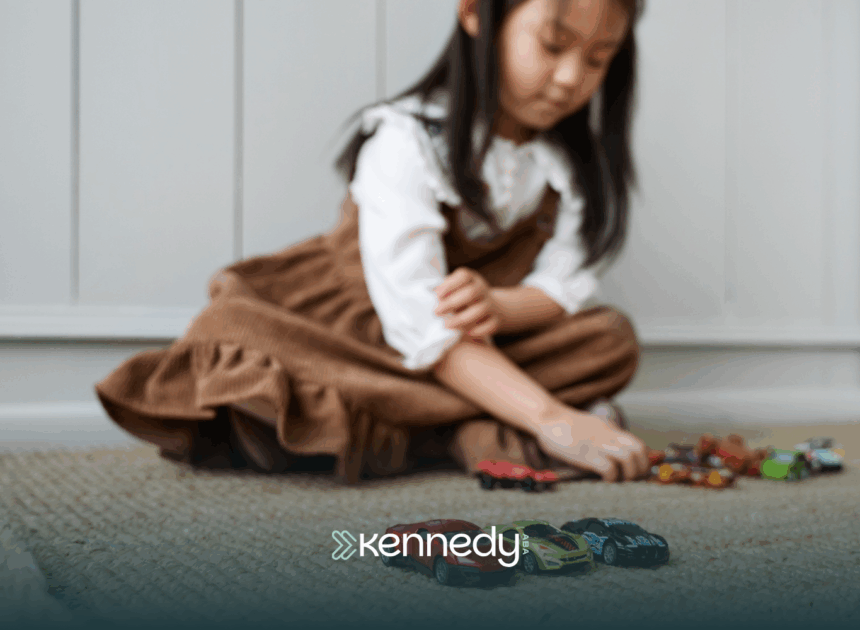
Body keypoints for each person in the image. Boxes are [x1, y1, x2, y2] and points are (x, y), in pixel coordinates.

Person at [94, 0, 649, 485]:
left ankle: (431, 422)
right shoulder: (404, 141)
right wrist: (553, 417)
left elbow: (559, 285)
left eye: (598, 58)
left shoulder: (567, 167)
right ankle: (475, 424)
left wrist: (502, 308)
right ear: (476, 11)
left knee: (610, 338)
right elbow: (423, 324)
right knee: (248, 360)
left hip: (478, 351)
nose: (571, 77)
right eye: (553, 46)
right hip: (350, 337)